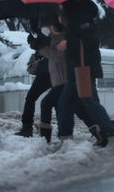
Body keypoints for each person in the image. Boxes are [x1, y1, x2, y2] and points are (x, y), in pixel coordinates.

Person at [56, 0, 114, 150]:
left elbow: (90, 41)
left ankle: (112, 137)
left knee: (89, 103)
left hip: (83, 68)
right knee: (67, 104)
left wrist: (68, 43)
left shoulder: (82, 17)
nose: (59, 6)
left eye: (61, 4)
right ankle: (66, 139)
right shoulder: (76, 18)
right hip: (76, 68)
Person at [34, 12, 68, 143]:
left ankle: (46, 137)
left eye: (46, 26)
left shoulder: (60, 36)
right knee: (60, 107)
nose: (45, 29)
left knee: (46, 103)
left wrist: (41, 48)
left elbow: (57, 57)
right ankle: (63, 135)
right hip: (59, 80)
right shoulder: (54, 36)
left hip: (64, 80)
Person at [15, 22, 51, 137]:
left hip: (49, 70)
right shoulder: (50, 25)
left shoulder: (50, 27)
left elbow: (47, 46)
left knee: (32, 98)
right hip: (51, 69)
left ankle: (27, 128)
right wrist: (34, 42)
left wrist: (35, 42)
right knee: (58, 101)